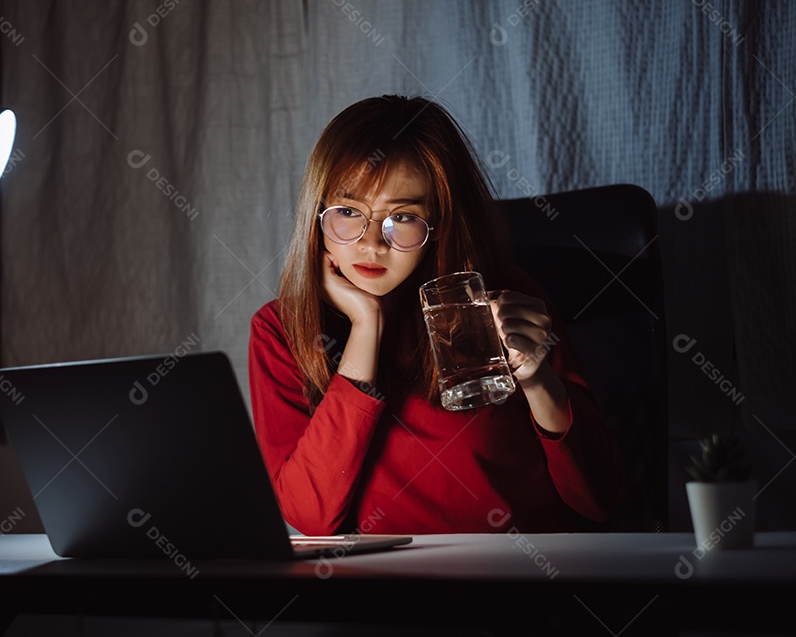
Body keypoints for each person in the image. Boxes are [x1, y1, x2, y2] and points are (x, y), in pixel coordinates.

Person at [248, 95, 622, 535]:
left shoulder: (500, 299)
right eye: (348, 212)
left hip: (516, 579)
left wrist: (538, 379)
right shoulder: (281, 330)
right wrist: (365, 325)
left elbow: (599, 500)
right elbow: (310, 517)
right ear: (317, 214)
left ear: (440, 223)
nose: (371, 244)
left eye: (402, 216)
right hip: (375, 587)